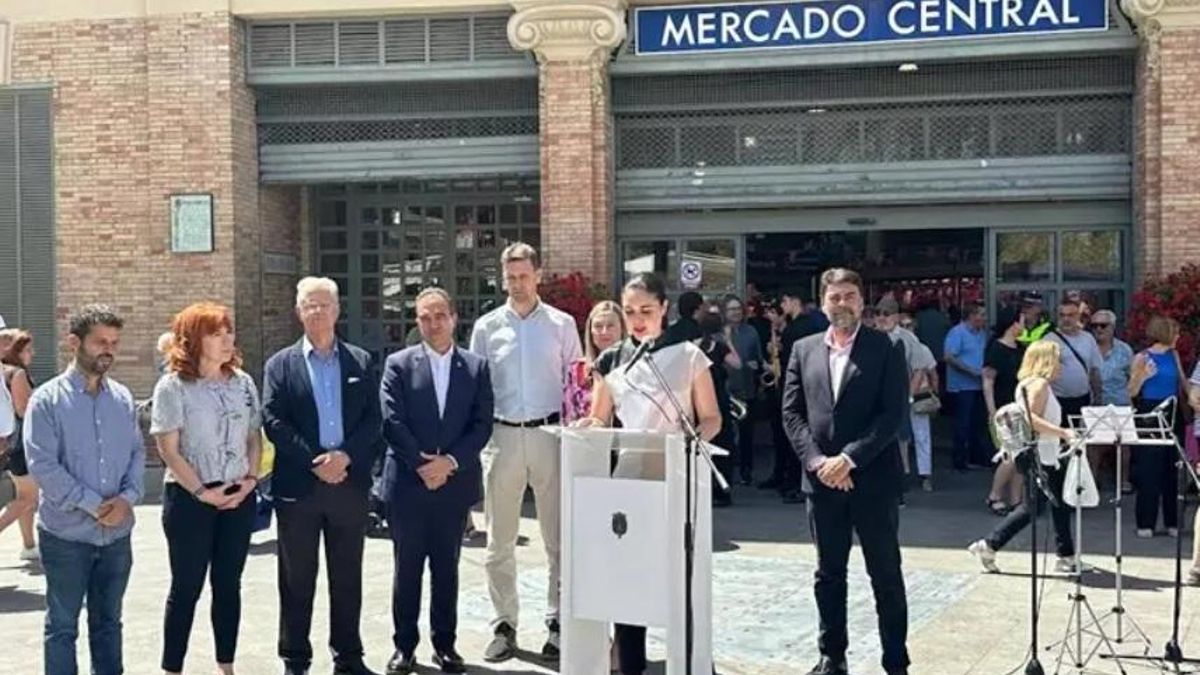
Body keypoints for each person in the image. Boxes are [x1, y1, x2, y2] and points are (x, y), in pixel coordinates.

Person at [576, 272, 722, 675]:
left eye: (646, 311)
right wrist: (581, 429)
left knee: (681, 576)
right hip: (629, 479)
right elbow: (600, 418)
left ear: (664, 310)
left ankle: (692, 661)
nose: (638, 319)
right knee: (628, 574)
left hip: (677, 474)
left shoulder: (688, 355)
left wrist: (692, 444)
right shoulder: (612, 360)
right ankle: (630, 663)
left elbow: (711, 418)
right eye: (630, 311)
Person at [782, 268, 910, 675]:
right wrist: (819, 462)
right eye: (835, 297)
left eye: (849, 296)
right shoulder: (803, 349)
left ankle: (895, 660)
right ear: (823, 302)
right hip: (822, 483)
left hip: (872, 481)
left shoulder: (886, 347)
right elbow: (791, 412)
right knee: (828, 574)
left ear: (861, 300)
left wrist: (849, 458)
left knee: (885, 573)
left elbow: (892, 415)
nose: (842, 304)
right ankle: (832, 656)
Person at [262, 277, 383, 675]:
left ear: (337, 310)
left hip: (348, 486)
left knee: (347, 577)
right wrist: (317, 459)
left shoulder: (361, 361)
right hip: (300, 488)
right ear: (299, 312)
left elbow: (373, 420)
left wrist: (345, 457)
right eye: (309, 305)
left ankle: (348, 657)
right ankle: (295, 658)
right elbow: (274, 420)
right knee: (297, 579)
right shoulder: (279, 365)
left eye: (324, 304)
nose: (317, 312)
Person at [469, 243, 582, 663]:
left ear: (538, 275)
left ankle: (557, 623)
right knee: (499, 541)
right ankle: (504, 624)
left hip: (550, 435)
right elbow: (476, 389)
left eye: (524, 275)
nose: (517, 283)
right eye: (510, 276)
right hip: (502, 437)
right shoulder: (485, 327)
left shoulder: (561, 324)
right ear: (503, 278)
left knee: (557, 538)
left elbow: (577, 385)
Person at [25, 305, 146, 675]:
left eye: (114, 342)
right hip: (66, 536)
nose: (107, 350)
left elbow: (138, 452)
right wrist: (94, 505)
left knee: (109, 624)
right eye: (99, 342)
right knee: (62, 627)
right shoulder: (46, 401)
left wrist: (127, 499)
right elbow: (42, 464)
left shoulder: (123, 398)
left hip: (116, 536)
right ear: (74, 342)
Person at [379, 288, 494, 675]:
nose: (433, 323)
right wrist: (423, 465)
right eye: (425, 317)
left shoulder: (476, 367)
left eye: (439, 315)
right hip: (409, 486)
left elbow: (482, 425)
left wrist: (449, 463)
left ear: (454, 317)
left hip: (453, 484)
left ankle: (445, 645)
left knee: (447, 568)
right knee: (407, 568)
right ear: (417, 321)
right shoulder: (398, 364)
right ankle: (404, 647)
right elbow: (392, 421)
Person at [150, 302, 262, 675]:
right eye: (216, 332)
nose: (227, 338)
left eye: (229, 330)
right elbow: (169, 449)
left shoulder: (243, 383)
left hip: (238, 496)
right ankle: (172, 668)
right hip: (190, 499)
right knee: (186, 588)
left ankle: (225, 665)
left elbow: (253, 437)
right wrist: (202, 492)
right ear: (193, 339)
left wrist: (249, 482)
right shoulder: (173, 387)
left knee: (228, 585)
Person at [968, 340, 1084, 575]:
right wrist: (1063, 432)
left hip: (1043, 452)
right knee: (1034, 506)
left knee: (1058, 503)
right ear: (1047, 361)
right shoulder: (1039, 385)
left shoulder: (1029, 383)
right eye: (1058, 359)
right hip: (1039, 452)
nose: (1061, 365)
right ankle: (990, 544)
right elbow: (1031, 419)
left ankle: (1066, 555)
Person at [1127, 315, 1187, 539]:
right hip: (1149, 412)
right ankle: (1146, 523)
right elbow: (1131, 391)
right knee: (1149, 469)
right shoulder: (1142, 357)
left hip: (1172, 410)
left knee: (1173, 468)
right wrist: (1142, 377)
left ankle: (1173, 522)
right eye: (1176, 332)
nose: (1179, 337)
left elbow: (1182, 383)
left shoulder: (1174, 355)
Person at [875, 298, 938, 493]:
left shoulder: (908, 339)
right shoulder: (869, 336)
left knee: (917, 435)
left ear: (896, 316)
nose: (881, 318)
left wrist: (910, 394)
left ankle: (922, 475)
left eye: (886, 314)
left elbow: (920, 368)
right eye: (878, 314)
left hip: (909, 393)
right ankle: (897, 476)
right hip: (881, 397)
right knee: (889, 438)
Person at [0, 329, 40, 560]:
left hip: (7, 443)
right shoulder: (17, 374)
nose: (31, 354)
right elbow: (23, 410)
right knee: (28, 497)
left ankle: (29, 545)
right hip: (19, 443)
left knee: (23, 494)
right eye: (27, 350)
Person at [982, 308, 1026, 515]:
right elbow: (988, 380)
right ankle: (994, 495)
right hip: (1003, 408)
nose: (1024, 326)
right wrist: (992, 410)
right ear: (1013, 324)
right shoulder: (996, 349)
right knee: (1010, 454)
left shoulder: (1020, 348)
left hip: (1021, 407)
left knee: (1021, 456)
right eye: (1022, 322)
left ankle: (1017, 500)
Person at [698, 301, 742, 507]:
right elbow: (737, 363)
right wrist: (728, 340)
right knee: (724, 446)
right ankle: (723, 490)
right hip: (719, 401)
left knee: (702, 446)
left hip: (698, 402)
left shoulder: (693, 346)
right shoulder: (720, 346)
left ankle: (702, 489)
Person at [944, 303, 991, 471]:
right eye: (982, 315)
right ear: (972, 316)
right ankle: (960, 460)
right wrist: (971, 371)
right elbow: (949, 357)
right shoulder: (957, 333)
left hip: (979, 385)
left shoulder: (982, 334)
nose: (985, 319)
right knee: (962, 424)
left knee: (977, 424)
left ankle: (976, 457)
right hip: (962, 387)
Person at [1092, 309, 1134, 493]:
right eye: (1094, 326)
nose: (1098, 329)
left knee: (1123, 445)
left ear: (1113, 327)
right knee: (1094, 446)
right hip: (1094, 404)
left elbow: (1132, 377)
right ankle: (1092, 481)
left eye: (1103, 325)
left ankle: (1123, 481)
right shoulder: (1087, 347)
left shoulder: (1124, 350)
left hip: (1120, 402)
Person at [723, 294, 763, 485]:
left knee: (747, 433)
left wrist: (758, 365)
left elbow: (759, 357)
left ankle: (747, 470)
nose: (736, 312)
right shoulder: (721, 333)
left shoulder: (751, 332)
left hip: (747, 388)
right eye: (731, 309)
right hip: (726, 389)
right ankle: (727, 472)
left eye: (738, 309)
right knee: (727, 434)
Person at [1044, 299, 1103, 429]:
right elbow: (1042, 375)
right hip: (1057, 401)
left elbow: (1094, 370)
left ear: (1078, 316)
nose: (1066, 319)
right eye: (1062, 315)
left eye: (1070, 315)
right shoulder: (1048, 341)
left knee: (1083, 441)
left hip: (1084, 400)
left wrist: (1098, 398)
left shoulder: (1088, 338)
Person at [564, 300, 625, 424]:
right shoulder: (577, 370)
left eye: (610, 325)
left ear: (623, 328)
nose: (604, 332)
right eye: (598, 326)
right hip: (587, 439)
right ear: (590, 331)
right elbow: (568, 417)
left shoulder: (636, 367)